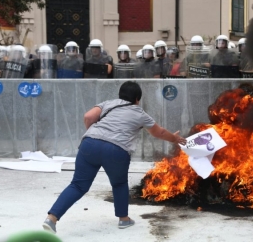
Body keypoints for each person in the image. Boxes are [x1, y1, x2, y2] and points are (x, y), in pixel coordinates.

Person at [42, 81, 187, 233]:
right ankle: (124, 220)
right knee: (119, 184)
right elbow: (160, 132)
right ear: (137, 99)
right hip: (116, 150)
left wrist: (94, 135)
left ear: (120, 94)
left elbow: (88, 116)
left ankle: (51, 219)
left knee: (78, 185)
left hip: (89, 144)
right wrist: (175, 139)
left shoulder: (109, 104)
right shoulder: (140, 113)